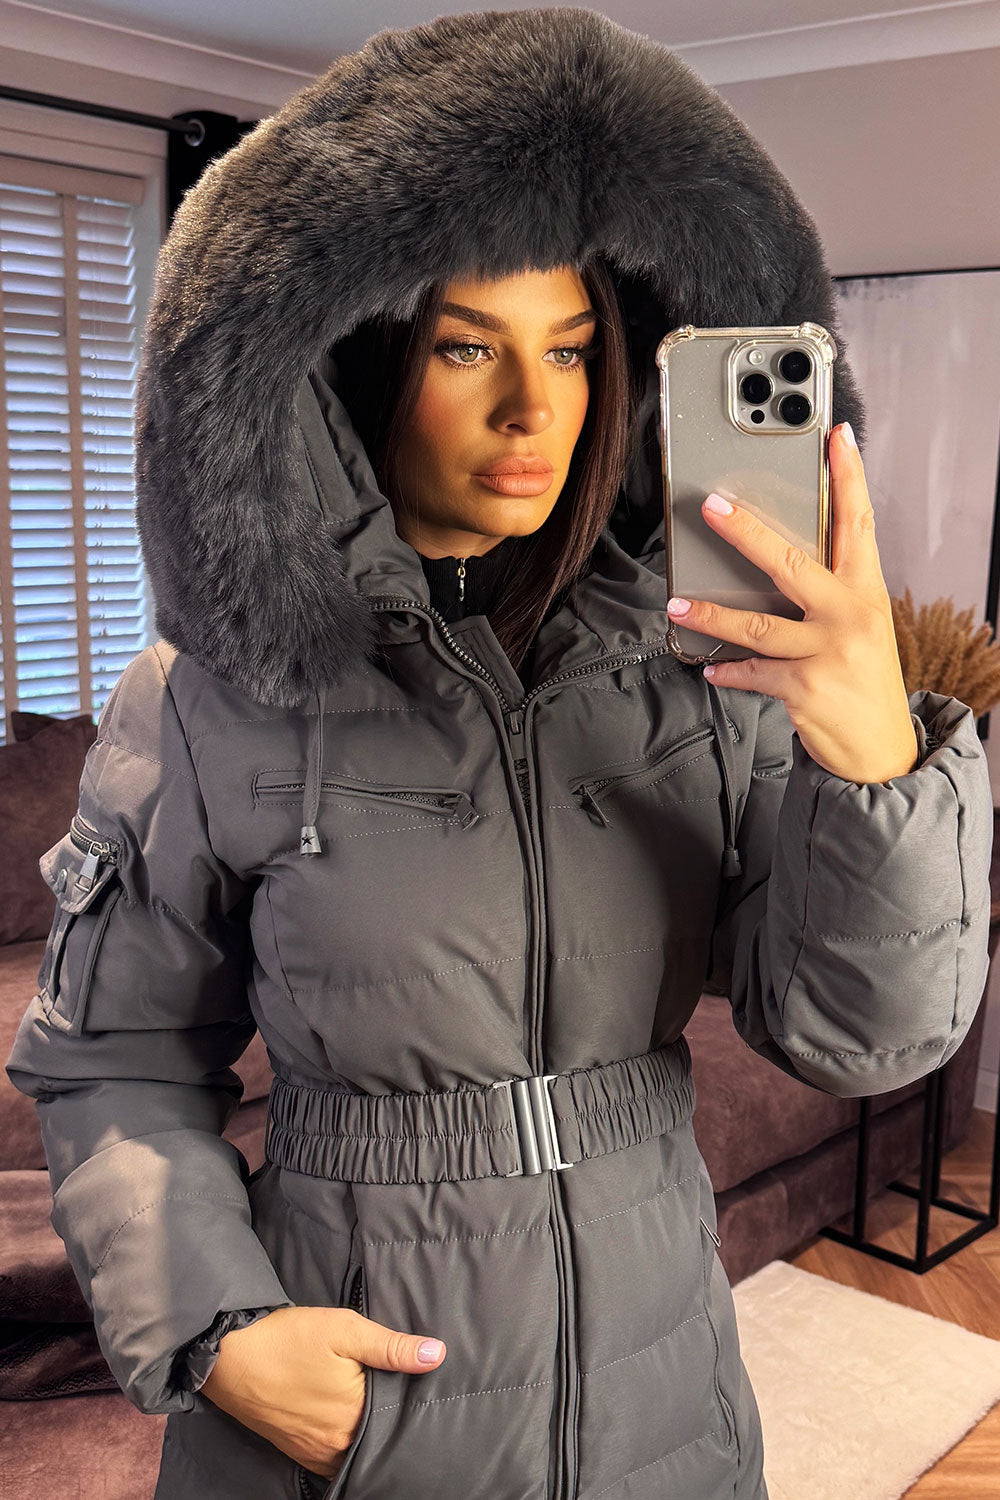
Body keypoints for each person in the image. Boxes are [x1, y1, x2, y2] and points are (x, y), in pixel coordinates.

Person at [5, 10, 992, 1500]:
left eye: (574, 350)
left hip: (662, 1405)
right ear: (357, 361)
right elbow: (109, 1054)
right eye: (469, 346)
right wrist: (217, 1329)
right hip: (353, 1419)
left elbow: (869, 1040)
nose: (536, 409)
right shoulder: (212, 696)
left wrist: (871, 753)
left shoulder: (713, 670)